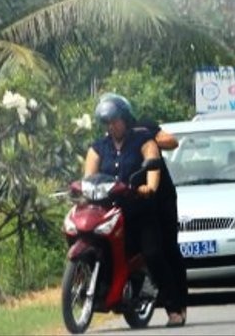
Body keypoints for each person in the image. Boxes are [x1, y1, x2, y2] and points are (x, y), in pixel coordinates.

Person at [83, 93, 188, 327]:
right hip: (115, 209)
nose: (111, 126)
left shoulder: (144, 134)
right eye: (107, 122)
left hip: (152, 203)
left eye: (115, 120)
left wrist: (148, 186)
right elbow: (88, 178)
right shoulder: (100, 146)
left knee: (160, 251)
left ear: (126, 117)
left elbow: (161, 156)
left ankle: (176, 306)